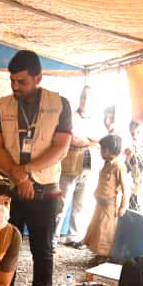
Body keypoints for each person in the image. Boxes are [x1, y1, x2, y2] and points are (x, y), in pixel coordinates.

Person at [0, 50, 73, 286]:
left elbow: (61, 147)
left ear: (38, 77)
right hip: (10, 187)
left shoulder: (60, 104)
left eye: (22, 82)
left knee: (42, 248)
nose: (15, 87)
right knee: (5, 247)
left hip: (46, 188)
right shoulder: (1, 105)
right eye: (12, 81)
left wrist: (27, 172)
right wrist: (18, 176)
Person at [58, 85, 105, 245]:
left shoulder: (98, 120)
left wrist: (86, 140)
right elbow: (72, 138)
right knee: (61, 203)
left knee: (82, 204)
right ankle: (53, 237)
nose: (85, 100)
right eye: (83, 97)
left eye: (88, 98)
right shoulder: (70, 116)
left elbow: (102, 140)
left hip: (90, 168)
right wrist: (91, 141)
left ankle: (74, 237)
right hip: (70, 167)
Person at [82, 134, 131, 264]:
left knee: (105, 232)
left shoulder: (119, 166)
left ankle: (104, 257)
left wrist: (122, 207)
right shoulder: (106, 164)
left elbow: (126, 189)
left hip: (110, 206)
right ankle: (99, 255)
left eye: (102, 150)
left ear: (109, 151)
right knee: (97, 229)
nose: (101, 152)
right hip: (100, 204)